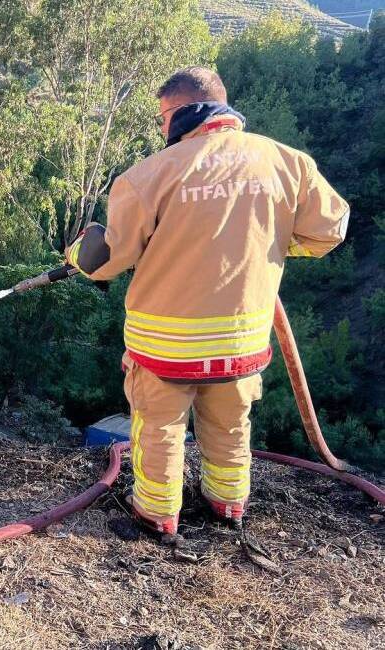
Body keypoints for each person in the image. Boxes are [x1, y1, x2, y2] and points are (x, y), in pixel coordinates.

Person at [65, 66, 350, 535]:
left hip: (166, 348)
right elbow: (330, 230)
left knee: (159, 429)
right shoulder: (287, 162)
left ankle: (156, 516)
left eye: (162, 117)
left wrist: (78, 253)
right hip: (240, 344)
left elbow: (107, 259)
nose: (162, 128)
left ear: (182, 111)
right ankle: (227, 506)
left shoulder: (150, 176)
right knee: (230, 427)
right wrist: (270, 243)